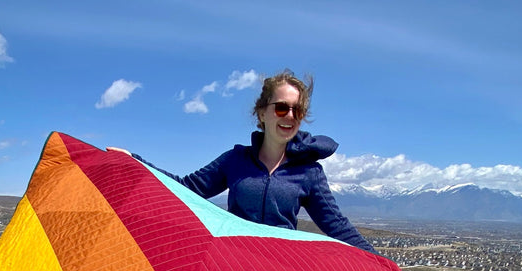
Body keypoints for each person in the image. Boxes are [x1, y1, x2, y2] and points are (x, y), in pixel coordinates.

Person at [109, 71, 376, 253]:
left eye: (298, 110)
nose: (290, 115)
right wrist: (136, 163)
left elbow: (336, 225)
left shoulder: (309, 172)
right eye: (282, 107)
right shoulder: (235, 160)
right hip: (234, 264)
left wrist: (384, 264)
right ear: (262, 112)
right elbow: (185, 188)